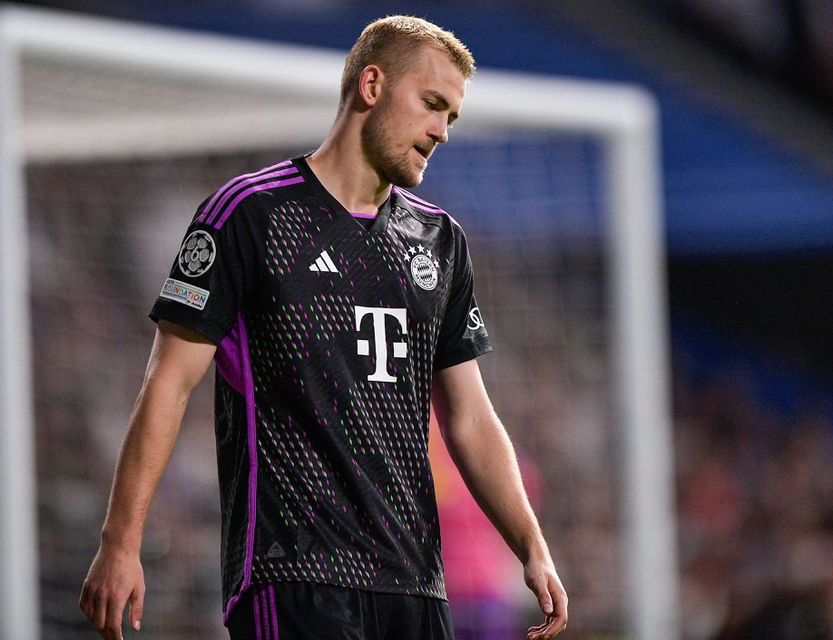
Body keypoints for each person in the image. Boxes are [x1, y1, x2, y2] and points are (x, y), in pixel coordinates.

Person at [79, 15, 568, 640]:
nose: (442, 131)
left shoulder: (440, 241)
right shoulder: (249, 213)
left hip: (414, 582)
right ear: (372, 85)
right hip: (292, 571)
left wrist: (531, 545)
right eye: (431, 104)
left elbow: (470, 416)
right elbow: (168, 382)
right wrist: (120, 542)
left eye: (452, 116)